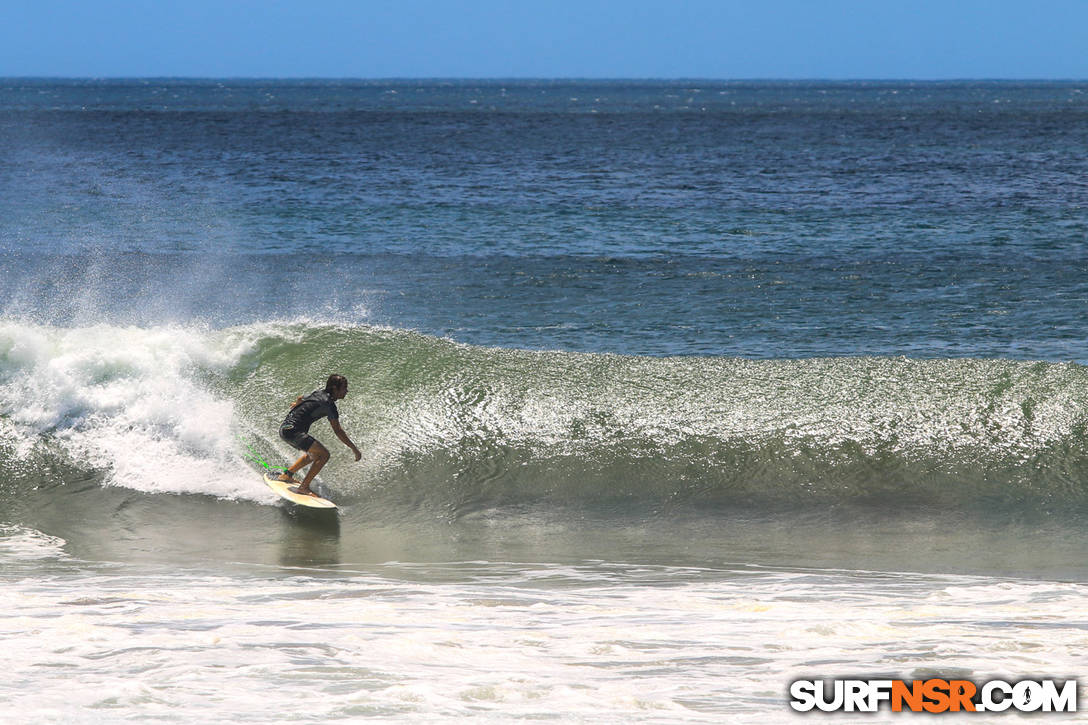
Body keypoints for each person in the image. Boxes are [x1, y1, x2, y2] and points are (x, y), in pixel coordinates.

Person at [276, 374, 361, 496]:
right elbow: (338, 431)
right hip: (293, 432)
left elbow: (301, 397)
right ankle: (303, 487)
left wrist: (296, 404)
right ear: (334, 389)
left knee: (314, 453)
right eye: (344, 388)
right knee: (324, 455)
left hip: (284, 429)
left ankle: (287, 475)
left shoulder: (317, 393)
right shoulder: (329, 405)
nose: (347, 391)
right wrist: (354, 449)